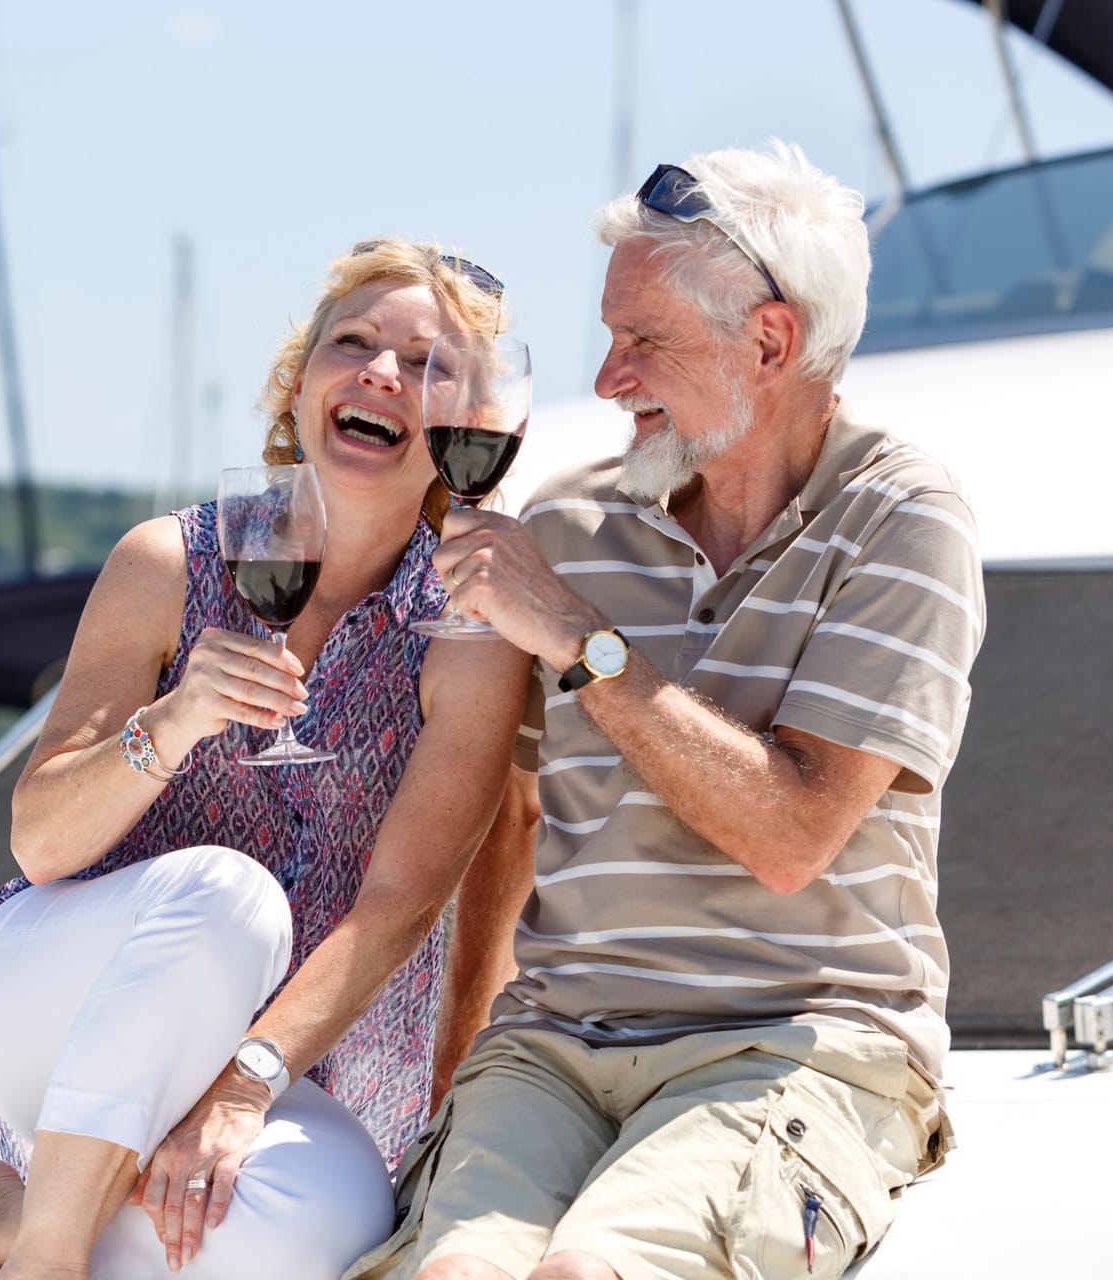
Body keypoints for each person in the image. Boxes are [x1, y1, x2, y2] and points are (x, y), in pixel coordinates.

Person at [0, 239, 531, 1280]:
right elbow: (39, 841)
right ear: (300, 385)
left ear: (465, 425)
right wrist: (171, 723)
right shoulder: (169, 563)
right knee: (233, 897)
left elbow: (398, 903)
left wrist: (244, 1086)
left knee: (333, 1219)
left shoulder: (467, 633)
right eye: (352, 343)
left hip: (267, 1071)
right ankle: (46, 1255)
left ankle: (9, 1210)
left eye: (428, 363)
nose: (383, 373)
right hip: (57, 1002)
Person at [346, 143, 986, 1280]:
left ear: (772, 341)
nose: (606, 378)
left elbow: (792, 834)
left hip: (792, 1046)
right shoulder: (574, 520)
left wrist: (584, 643)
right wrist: (464, 1070)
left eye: (643, 341)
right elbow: (518, 819)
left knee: (588, 1273)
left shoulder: (902, 520)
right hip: (554, 1048)